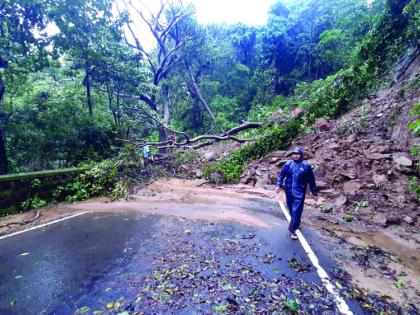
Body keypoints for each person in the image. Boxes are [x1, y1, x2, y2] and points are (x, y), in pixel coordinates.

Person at [276, 147, 318, 240]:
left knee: (296, 211)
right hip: (289, 191)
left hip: (300, 192)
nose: (295, 155)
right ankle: (297, 222)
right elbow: (281, 175)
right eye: (294, 154)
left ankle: (292, 230)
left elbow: (311, 181)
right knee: (291, 210)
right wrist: (278, 185)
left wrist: (314, 193)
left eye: (297, 154)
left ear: (301, 155)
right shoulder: (288, 164)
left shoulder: (306, 166)